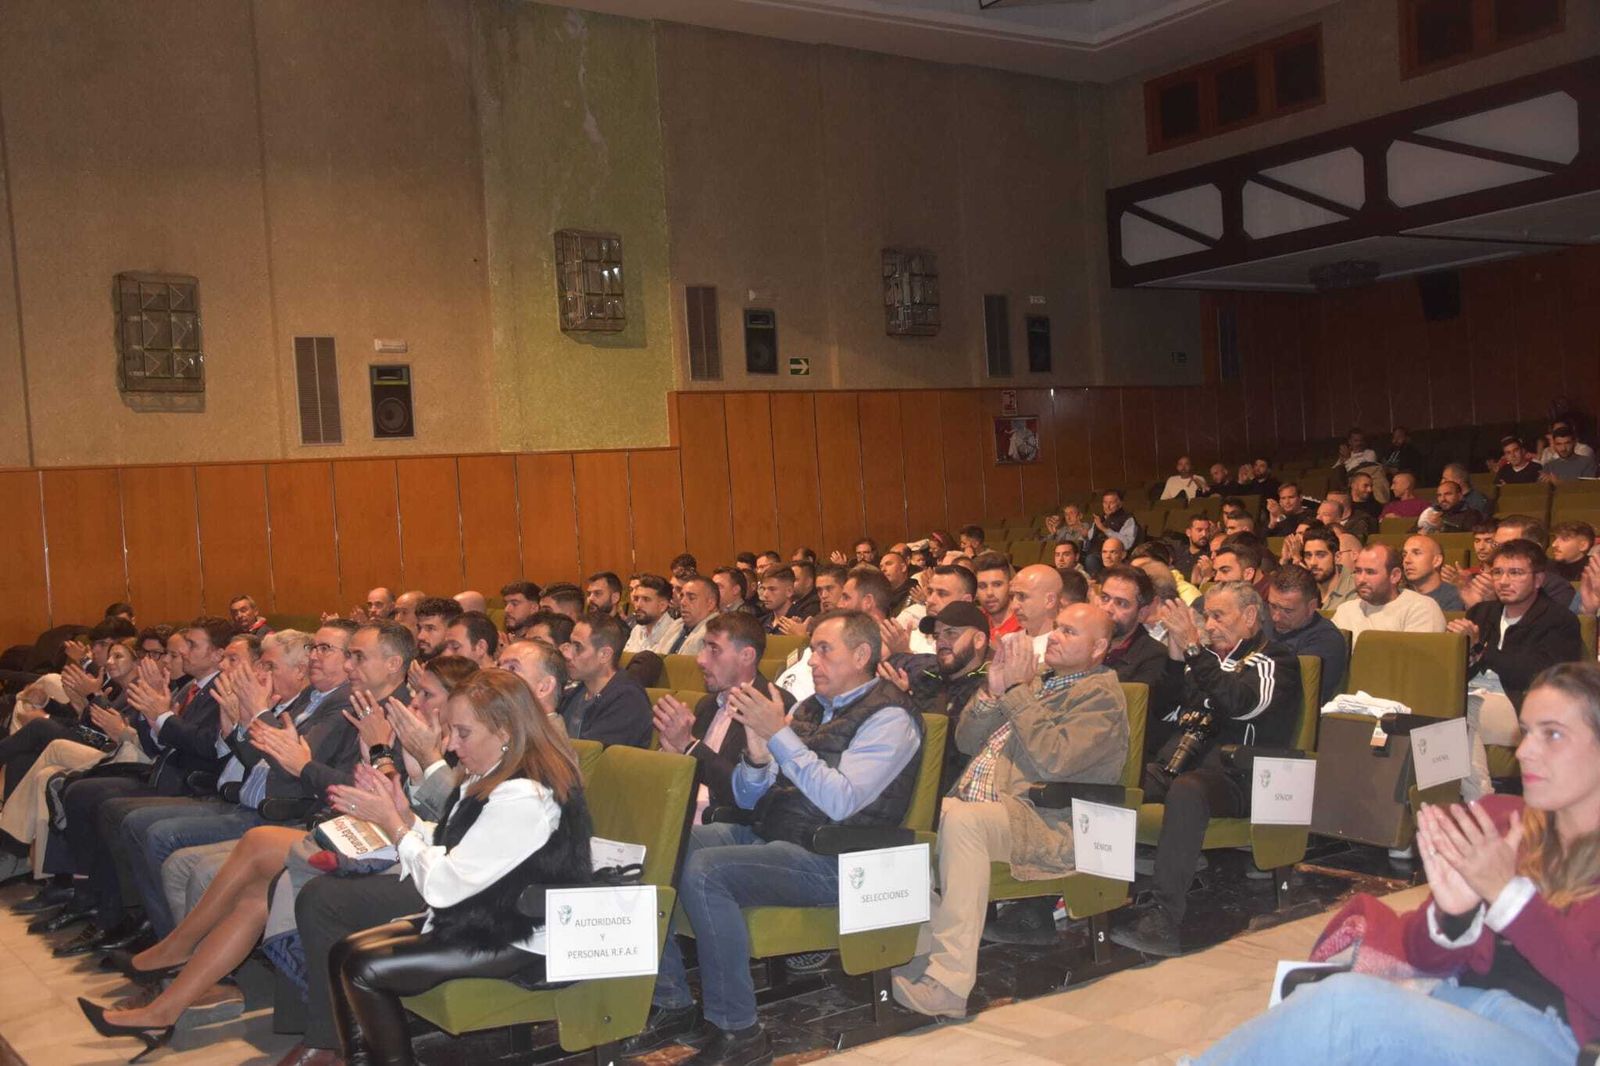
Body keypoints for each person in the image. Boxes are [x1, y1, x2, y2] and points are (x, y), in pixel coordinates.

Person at [1188, 661, 1600, 1066]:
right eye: (1526, 732)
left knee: (1347, 1009)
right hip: (1459, 1002)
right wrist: (1453, 919)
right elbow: (1420, 955)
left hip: (1551, 1041)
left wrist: (1509, 899)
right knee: (1330, 1004)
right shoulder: (1498, 820)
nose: (1525, 750)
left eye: (1553, 735)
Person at [627, 611, 923, 1063]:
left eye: (825, 650)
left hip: (840, 857)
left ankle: (739, 1031)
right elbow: (749, 796)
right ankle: (672, 1001)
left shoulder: (890, 717)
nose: (812, 662)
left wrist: (780, 737)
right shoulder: (810, 709)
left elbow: (842, 801)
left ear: (862, 655)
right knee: (658, 847)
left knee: (706, 871)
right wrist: (759, 756)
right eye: (812, 650)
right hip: (776, 837)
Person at [890, 605, 1128, 1016]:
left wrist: (1017, 692)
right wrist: (993, 692)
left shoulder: (1101, 696)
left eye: (1069, 632)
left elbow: (1056, 760)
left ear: (1099, 647)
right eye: (1056, 628)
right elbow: (965, 741)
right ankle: (923, 949)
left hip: (1052, 822)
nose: (1053, 636)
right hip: (990, 810)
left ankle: (949, 983)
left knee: (961, 821)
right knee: (910, 826)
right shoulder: (1036, 684)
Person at [1111, 583, 1302, 957]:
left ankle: (1164, 919)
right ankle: (1092, 899)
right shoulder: (1207, 662)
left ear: (1249, 617)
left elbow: (1240, 703)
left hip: (1243, 777)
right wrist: (1174, 658)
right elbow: (1163, 709)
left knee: (1188, 789)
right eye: (1207, 616)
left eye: (1219, 615)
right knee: (1112, 783)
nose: (1210, 625)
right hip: (1180, 764)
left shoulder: (1275, 660)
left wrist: (1195, 650)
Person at [1449, 540, 1585, 800]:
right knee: (1438, 709)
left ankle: (1480, 801)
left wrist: (1481, 648)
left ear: (1538, 579)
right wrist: (1463, 652)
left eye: (1516, 573)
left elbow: (1540, 675)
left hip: (1519, 703)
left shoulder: (1558, 620)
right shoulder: (1483, 612)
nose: (1503, 581)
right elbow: (1463, 668)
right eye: (1497, 572)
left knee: (1457, 711)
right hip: (1473, 696)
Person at [652, 612, 795, 824]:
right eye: (704, 647)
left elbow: (749, 794)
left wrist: (689, 746)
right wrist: (672, 754)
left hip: (724, 825)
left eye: (714, 650)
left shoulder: (772, 709)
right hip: (680, 811)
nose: (701, 659)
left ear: (746, 655)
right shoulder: (708, 704)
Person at [557, 612, 652, 747]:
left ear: (604, 655)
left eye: (578, 647)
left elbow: (592, 756)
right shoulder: (577, 691)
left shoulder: (627, 699)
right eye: (570, 644)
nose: (567, 654)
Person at [1266, 565, 1348, 707]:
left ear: (1311, 607)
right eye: (1273, 606)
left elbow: (1293, 695)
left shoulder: (1326, 641)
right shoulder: (1261, 622)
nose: (1276, 617)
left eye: (1288, 611)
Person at [1332, 545, 1447, 641]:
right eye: (1358, 571)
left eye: (1370, 572)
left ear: (1395, 576)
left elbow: (1415, 663)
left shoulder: (1421, 608)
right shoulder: (1345, 611)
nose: (1361, 579)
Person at [1403, 534, 1465, 612]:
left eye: (1417, 553)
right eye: (1404, 555)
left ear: (1437, 561)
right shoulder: (1399, 597)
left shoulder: (1454, 596)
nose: (1406, 560)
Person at [622, 574, 683, 654]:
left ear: (662, 606)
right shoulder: (637, 630)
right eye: (637, 599)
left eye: (646, 599)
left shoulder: (674, 633)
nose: (638, 605)